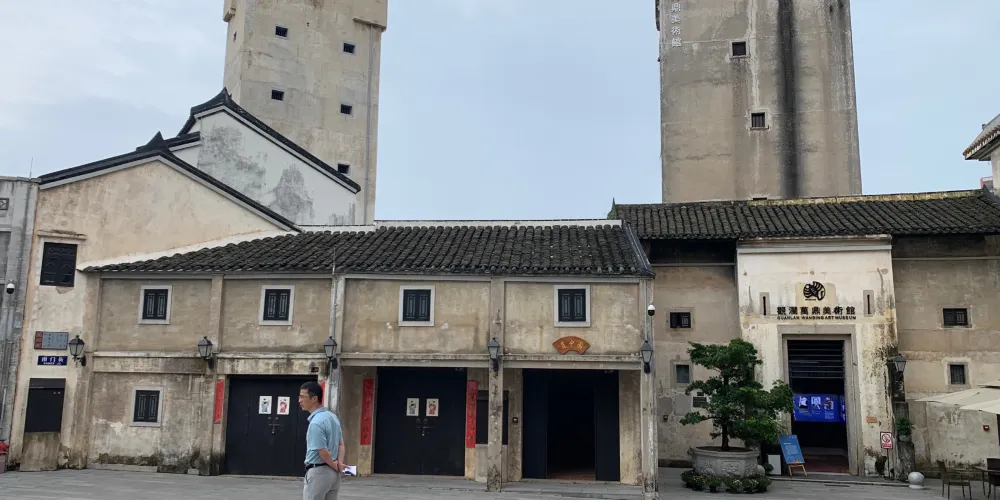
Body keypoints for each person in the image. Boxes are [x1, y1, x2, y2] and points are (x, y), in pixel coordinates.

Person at [298, 381, 345, 500]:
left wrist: (334, 465)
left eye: (302, 397)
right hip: (334, 475)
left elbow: (322, 451)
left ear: (314, 398)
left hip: (319, 472)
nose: (300, 401)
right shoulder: (333, 417)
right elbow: (341, 444)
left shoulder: (316, 423)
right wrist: (339, 464)